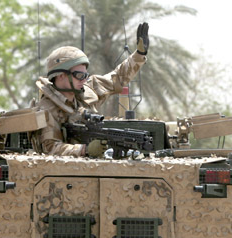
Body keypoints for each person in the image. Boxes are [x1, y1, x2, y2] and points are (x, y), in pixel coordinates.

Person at [34, 22, 149, 157]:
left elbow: (118, 77)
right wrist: (84, 150)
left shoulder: (86, 93)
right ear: (60, 75)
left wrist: (139, 54)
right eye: (79, 75)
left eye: (85, 75)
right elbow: (51, 147)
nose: (84, 79)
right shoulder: (46, 109)